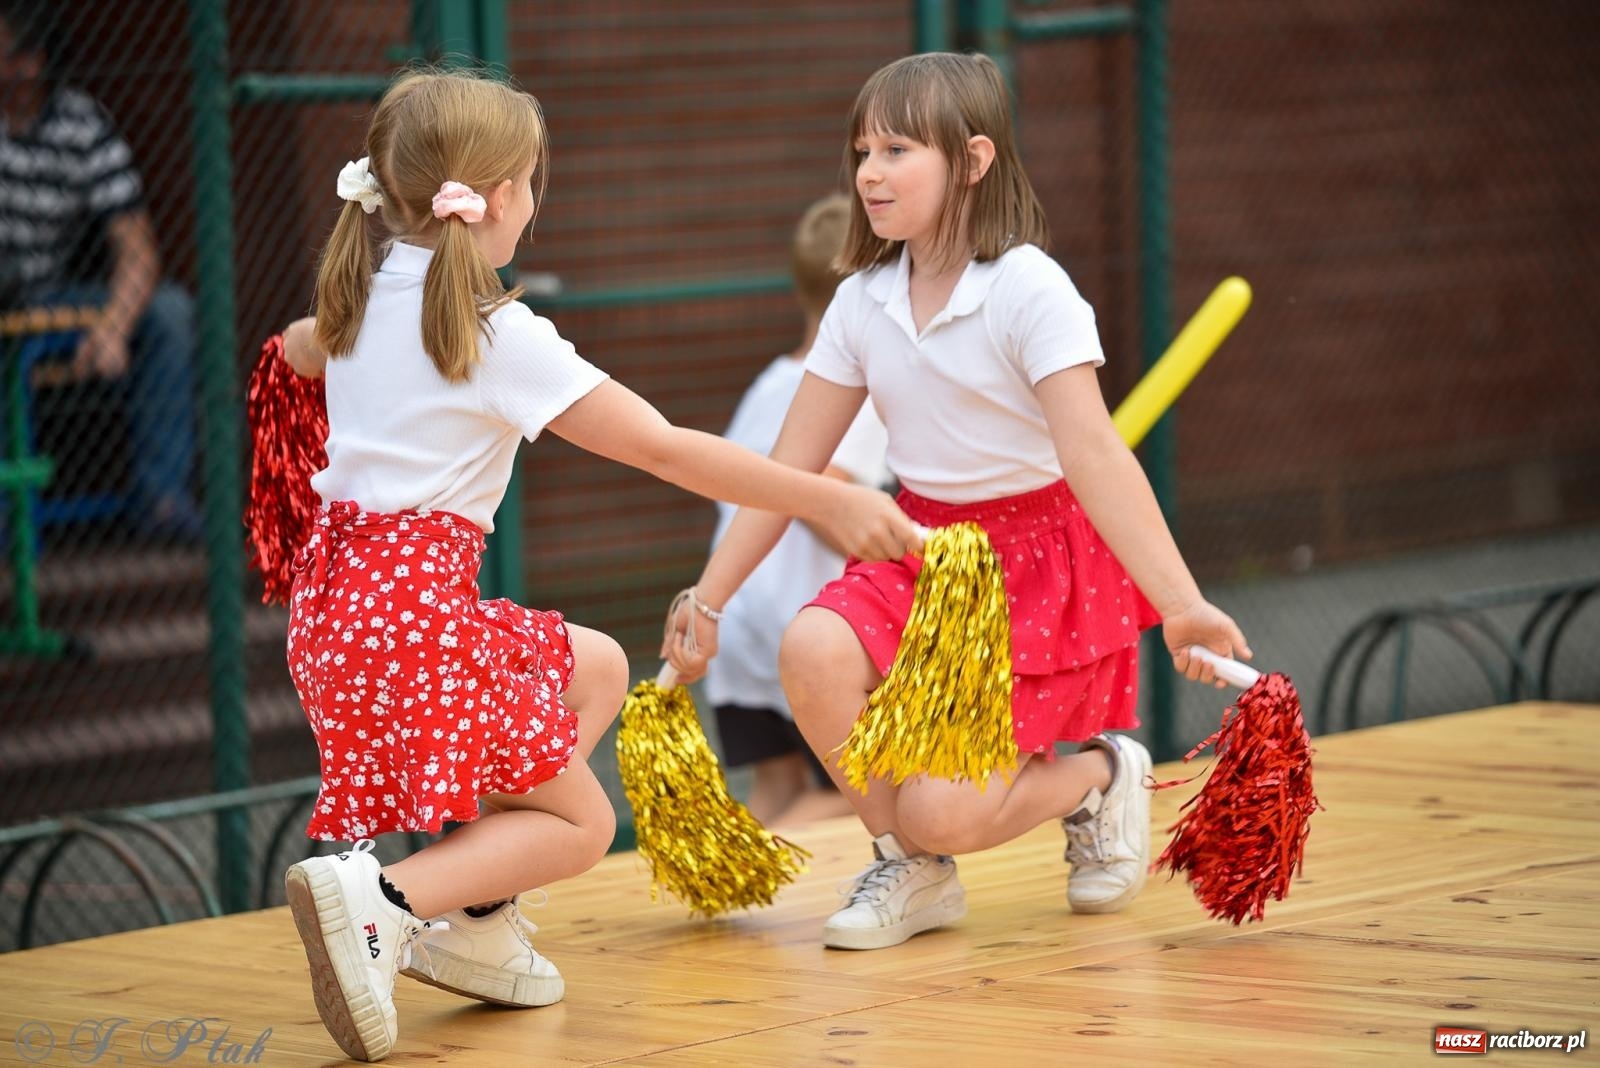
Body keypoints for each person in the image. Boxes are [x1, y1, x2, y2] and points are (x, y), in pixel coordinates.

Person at [272, 68, 919, 1062]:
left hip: (332, 623)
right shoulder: (492, 333)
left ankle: (478, 916)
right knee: (578, 826)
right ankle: (383, 897)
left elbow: (291, 353)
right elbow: (663, 447)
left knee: (594, 668)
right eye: (533, 182)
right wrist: (830, 495)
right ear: (494, 197)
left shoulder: (356, 296)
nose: (535, 204)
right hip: (410, 621)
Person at [663, 52, 1251, 952]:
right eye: (862, 150)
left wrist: (1180, 606)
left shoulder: (1028, 288)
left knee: (945, 807)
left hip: (1032, 562)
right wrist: (708, 599)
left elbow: (1095, 455)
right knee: (812, 648)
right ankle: (913, 865)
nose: (869, 172)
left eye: (897, 149)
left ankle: (1099, 773)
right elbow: (789, 467)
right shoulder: (861, 301)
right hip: (923, 546)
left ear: (973, 160)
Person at [707, 193, 887, 828]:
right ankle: (753, 857)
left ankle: (749, 889)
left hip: (736, 613)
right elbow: (820, 492)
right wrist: (903, 553)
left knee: (777, 779)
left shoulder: (770, 382)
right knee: (854, 790)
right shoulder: (854, 391)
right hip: (796, 617)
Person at [0, 3, 201, 540]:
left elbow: (136, 245)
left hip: (46, 297)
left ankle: (161, 498)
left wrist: (112, 325)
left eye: (11, 51)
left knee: (170, 311)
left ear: (34, 61)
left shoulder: (81, 122)